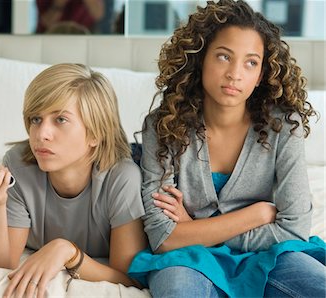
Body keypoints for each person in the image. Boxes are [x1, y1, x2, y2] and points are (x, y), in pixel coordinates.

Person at [128, 0, 326, 297]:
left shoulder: (284, 126)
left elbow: (293, 230)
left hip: (271, 257)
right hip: (185, 261)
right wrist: (256, 214)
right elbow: (164, 238)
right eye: (223, 56)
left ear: (261, 75)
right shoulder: (162, 125)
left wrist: (195, 229)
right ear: (201, 58)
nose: (235, 74)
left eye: (251, 62)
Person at [0, 63, 147, 297]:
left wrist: (67, 252)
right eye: (36, 119)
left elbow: (130, 280)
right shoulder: (19, 165)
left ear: (95, 133)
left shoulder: (122, 178)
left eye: (60, 119)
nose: (41, 134)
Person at [35, 0, 104, 34]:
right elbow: (46, 22)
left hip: (83, 37)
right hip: (52, 36)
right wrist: (59, 3)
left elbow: (98, 14)